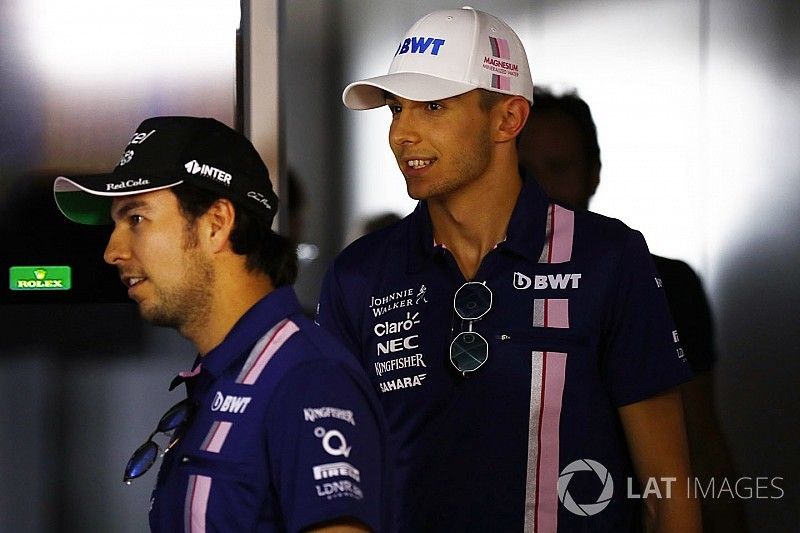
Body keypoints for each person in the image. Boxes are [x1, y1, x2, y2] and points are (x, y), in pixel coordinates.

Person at [317, 7, 701, 532]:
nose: (401, 134)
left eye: (431, 107)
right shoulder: (357, 274)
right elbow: (334, 490)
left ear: (508, 119)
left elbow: (668, 490)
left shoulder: (608, 258)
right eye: (395, 110)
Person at [53, 116, 389, 532]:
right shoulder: (223, 374)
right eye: (116, 223)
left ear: (216, 224)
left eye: (136, 219)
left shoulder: (307, 378)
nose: (113, 251)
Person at [519, 86, 748, 532]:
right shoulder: (476, 289)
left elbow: (699, 435)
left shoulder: (665, 284)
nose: (543, 188)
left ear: (594, 173)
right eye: (526, 172)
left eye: (559, 167)